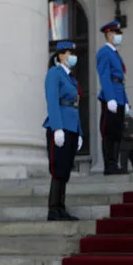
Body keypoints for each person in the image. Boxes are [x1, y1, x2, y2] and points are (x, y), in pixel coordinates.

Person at [43, 40, 84, 221]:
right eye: (68, 53)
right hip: (60, 126)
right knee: (58, 168)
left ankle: (61, 207)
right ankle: (53, 209)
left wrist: (80, 132)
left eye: (73, 53)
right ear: (60, 55)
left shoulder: (71, 78)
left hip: (72, 127)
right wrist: (57, 128)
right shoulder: (54, 73)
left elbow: (76, 106)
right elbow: (52, 101)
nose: (72, 56)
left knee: (65, 169)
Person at [96, 20, 129, 175]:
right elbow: (104, 76)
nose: (118, 36)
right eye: (116, 33)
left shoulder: (115, 53)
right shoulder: (104, 52)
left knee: (117, 132)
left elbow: (120, 80)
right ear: (109, 35)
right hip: (111, 97)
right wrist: (110, 98)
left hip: (119, 96)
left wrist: (125, 101)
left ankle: (114, 163)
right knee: (109, 132)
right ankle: (109, 165)